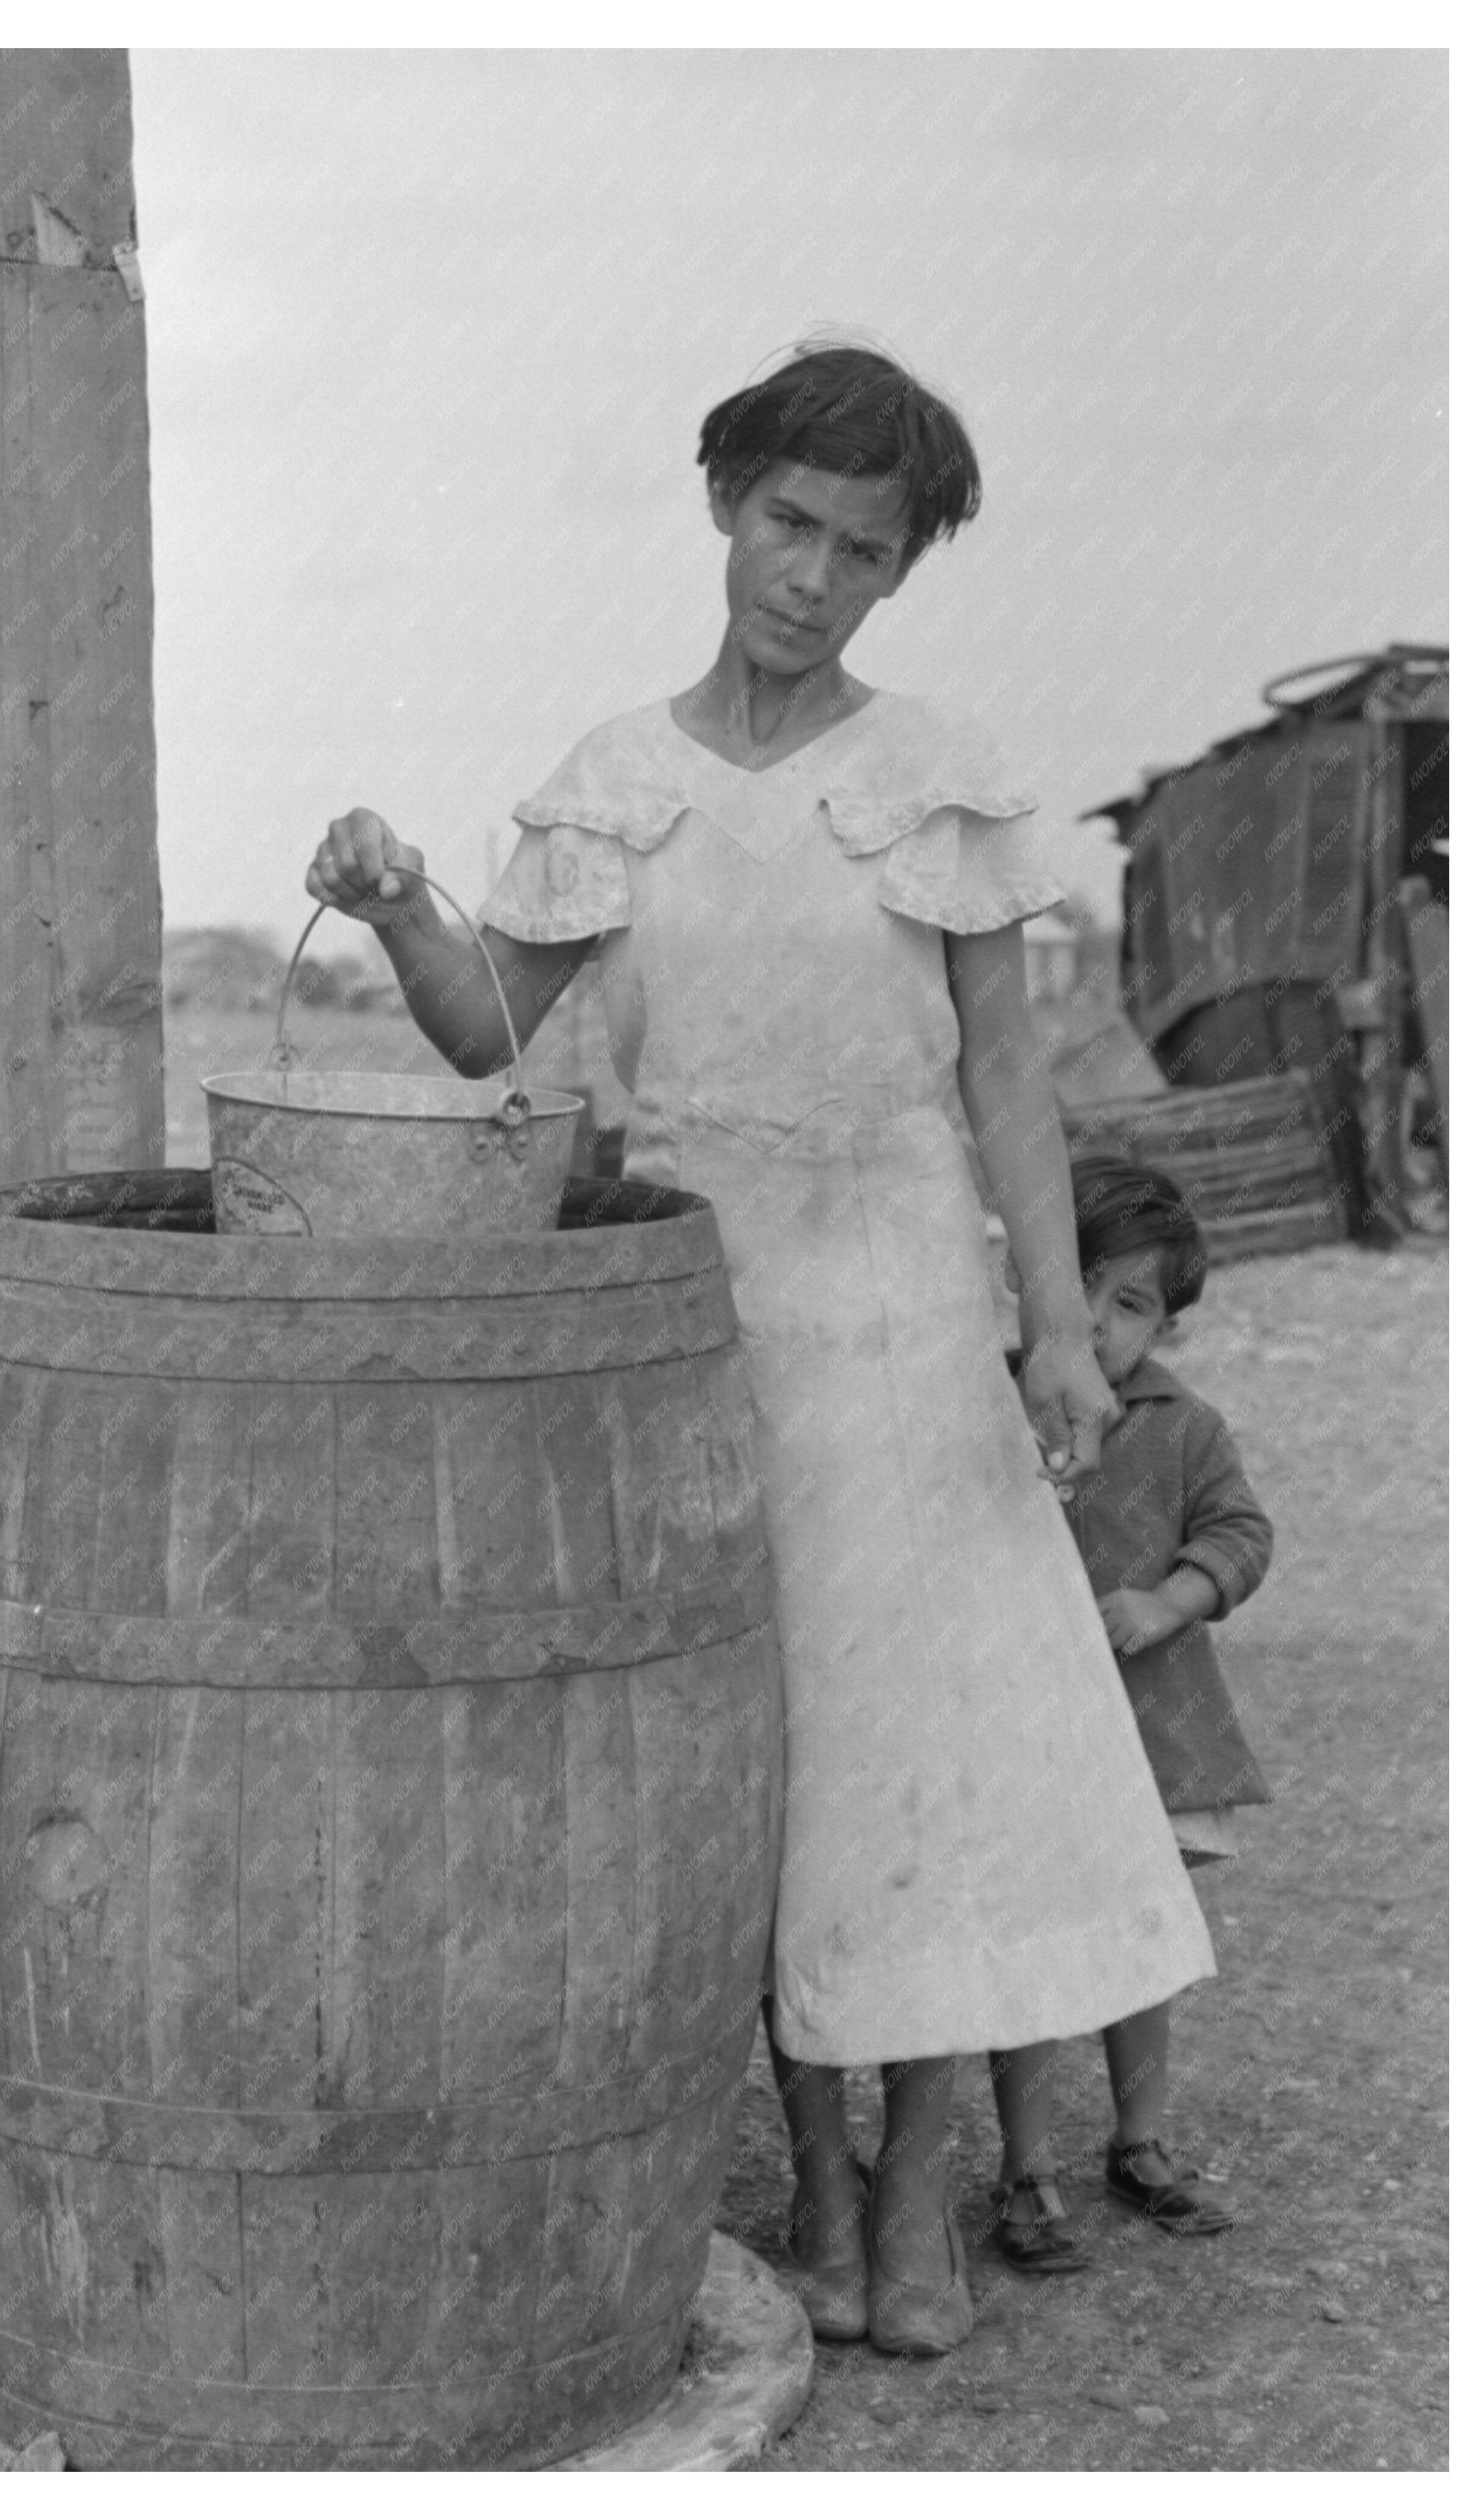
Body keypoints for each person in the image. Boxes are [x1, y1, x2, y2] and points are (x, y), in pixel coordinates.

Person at [306, 339, 1216, 2356]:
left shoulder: (937, 777)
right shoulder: (617, 782)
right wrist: (388, 903)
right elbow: (488, 1034)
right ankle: (810, 2180)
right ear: (726, 507)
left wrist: (1055, 1334)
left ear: (902, 574)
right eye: (787, 524)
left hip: (900, 1318)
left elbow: (1006, 1082)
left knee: (924, 1765)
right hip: (695, 1331)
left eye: (862, 550)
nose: (810, 576)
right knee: (763, 1769)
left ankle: (911, 2195)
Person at [1060, 1154, 1274, 2236]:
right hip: (1034, 1733)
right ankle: (1020, 2162)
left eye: (1132, 1306)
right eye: (1080, 1289)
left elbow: (1242, 1533)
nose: (1098, 1326)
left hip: (1148, 1731)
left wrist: (1168, 1600)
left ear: (1168, 1327)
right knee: (1037, 1933)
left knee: (1143, 1935)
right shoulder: (1001, 1400)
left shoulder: (1183, 1428)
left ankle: (1138, 2140)